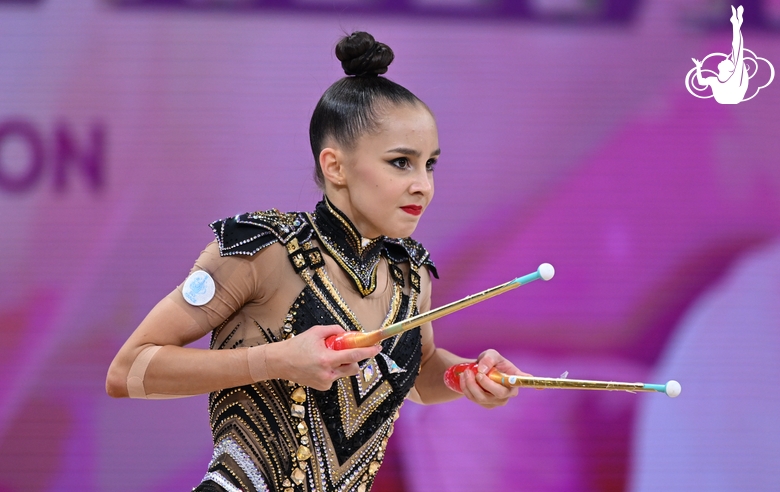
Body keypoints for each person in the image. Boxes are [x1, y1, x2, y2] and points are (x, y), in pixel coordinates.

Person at [106, 31, 527, 492]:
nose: (423, 185)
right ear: (335, 167)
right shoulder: (260, 250)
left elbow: (418, 375)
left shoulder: (411, 274)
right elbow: (127, 371)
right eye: (401, 163)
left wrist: (465, 374)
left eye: (430, 165)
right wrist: (277, 359)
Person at [692, 5, 748, 104]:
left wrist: (736, 25)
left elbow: (737, 48)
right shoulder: (720, 80)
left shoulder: (720, 80)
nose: (725, 59)